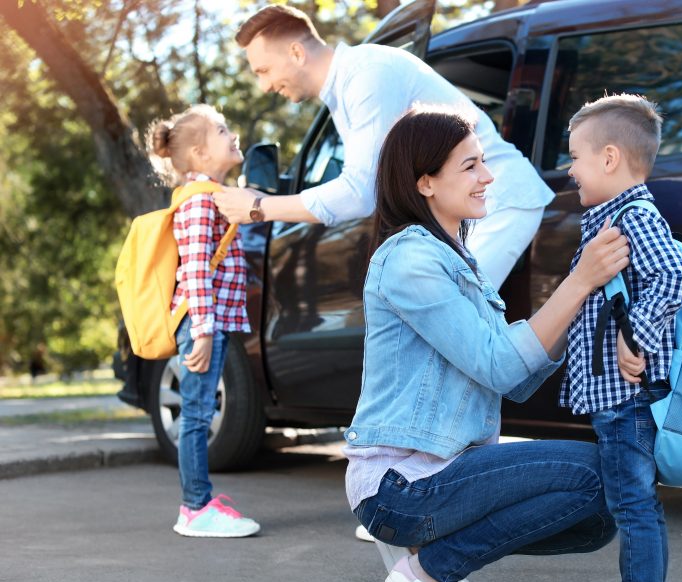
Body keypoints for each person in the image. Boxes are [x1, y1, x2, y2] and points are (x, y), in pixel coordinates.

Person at [345, 105, 628, 582]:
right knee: (596, 473)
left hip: (442, 473)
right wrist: (579, 280)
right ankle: (430, 572)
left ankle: (425, 562)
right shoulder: (410, 260)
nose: (488, 176)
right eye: (471, 166)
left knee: (599, 518)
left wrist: (590, 303)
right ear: (425, 182)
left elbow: (516, 378)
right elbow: (502, 365)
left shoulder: (456, 259)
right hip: (402, 485)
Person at [214, 5, 553, 288]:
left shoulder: (367, 76)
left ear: (296, 52)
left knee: (452, 333)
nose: (264, 86)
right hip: (467, 214)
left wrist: (259, 207)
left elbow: (360, 192)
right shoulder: (346, 88)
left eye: (264, 70)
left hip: (497, 203)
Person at [558, 95, 682, 582]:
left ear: (610, 157)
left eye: (576, 156)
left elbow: (673, 278)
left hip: (626, 397)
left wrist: (635, 333)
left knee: (633, 506)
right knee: (635, 505)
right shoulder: (615, 218)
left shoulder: (632, 216)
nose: (569, 168)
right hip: (618, 397)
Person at [146, 105, 261, 538]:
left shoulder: (213, 194)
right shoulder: (197, 201)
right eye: (221, 129)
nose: (232, 134)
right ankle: (194, 509)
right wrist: (205, 331)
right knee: (196, 414)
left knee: (198, 410)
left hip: (207, 321)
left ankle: (201, 502)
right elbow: (195, 268)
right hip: (200, 322)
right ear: (198, 151)